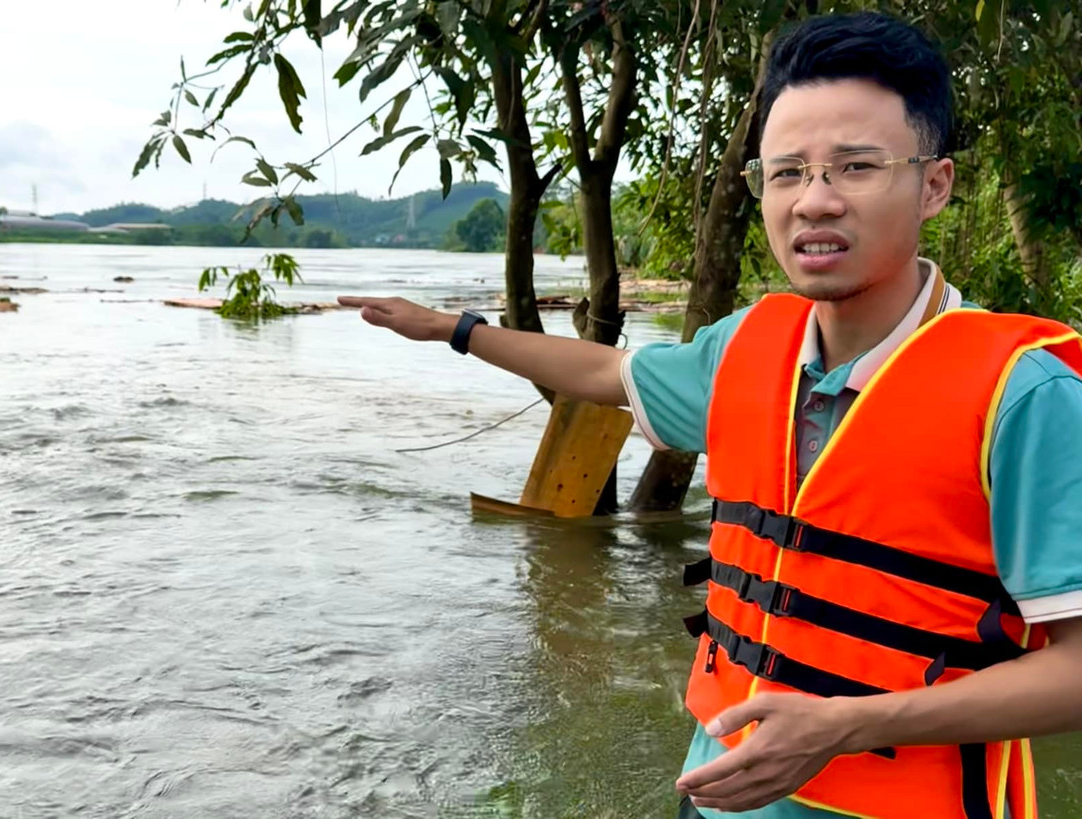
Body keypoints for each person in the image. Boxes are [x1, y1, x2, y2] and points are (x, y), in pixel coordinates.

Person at [340, 11, 1082, 818]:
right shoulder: (747, 347)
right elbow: (609, 372)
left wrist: (850, 726)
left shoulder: (1026, 394)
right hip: (719, 789)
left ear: (934, 183)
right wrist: (454, 329)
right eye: (788, 171)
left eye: (856, 167)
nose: (815, 201)